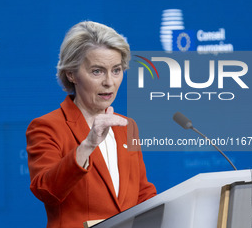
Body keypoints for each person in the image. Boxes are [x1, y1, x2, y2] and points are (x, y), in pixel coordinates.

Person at [26, 21, 156, 228]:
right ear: (71, 73)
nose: (109, 82)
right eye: (97, 71)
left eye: (116, 70)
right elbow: (46, 191)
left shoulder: (127, 126)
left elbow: (142, 192)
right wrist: (88, 144)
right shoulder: (47, 127)